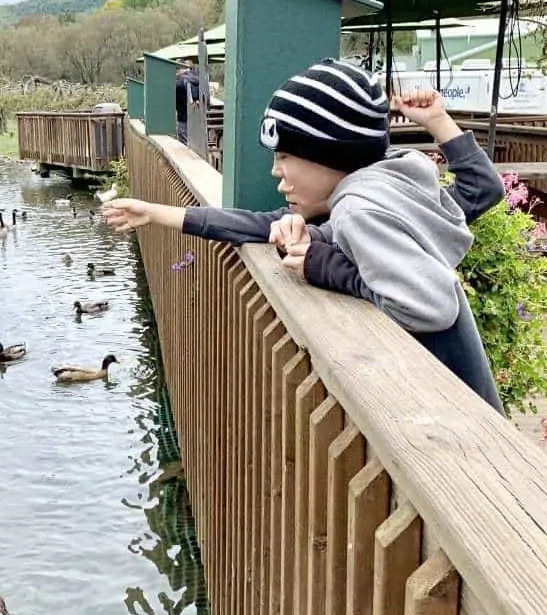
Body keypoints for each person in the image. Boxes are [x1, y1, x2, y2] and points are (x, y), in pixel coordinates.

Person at [102, 58, 506, 414]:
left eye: (284, 156)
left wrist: (324, 265)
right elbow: (477, 193)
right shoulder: (387, 188)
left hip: (457, 417)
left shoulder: (359, 209)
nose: (276, 171)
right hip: (468, 411)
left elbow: (429, 307)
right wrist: (156, 212)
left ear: (328, 155)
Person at [175, 61, 200, 144]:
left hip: (183, 119)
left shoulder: (179, 83)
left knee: (184, 147)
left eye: (178, 69)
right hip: (197, 120)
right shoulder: (198, 81)